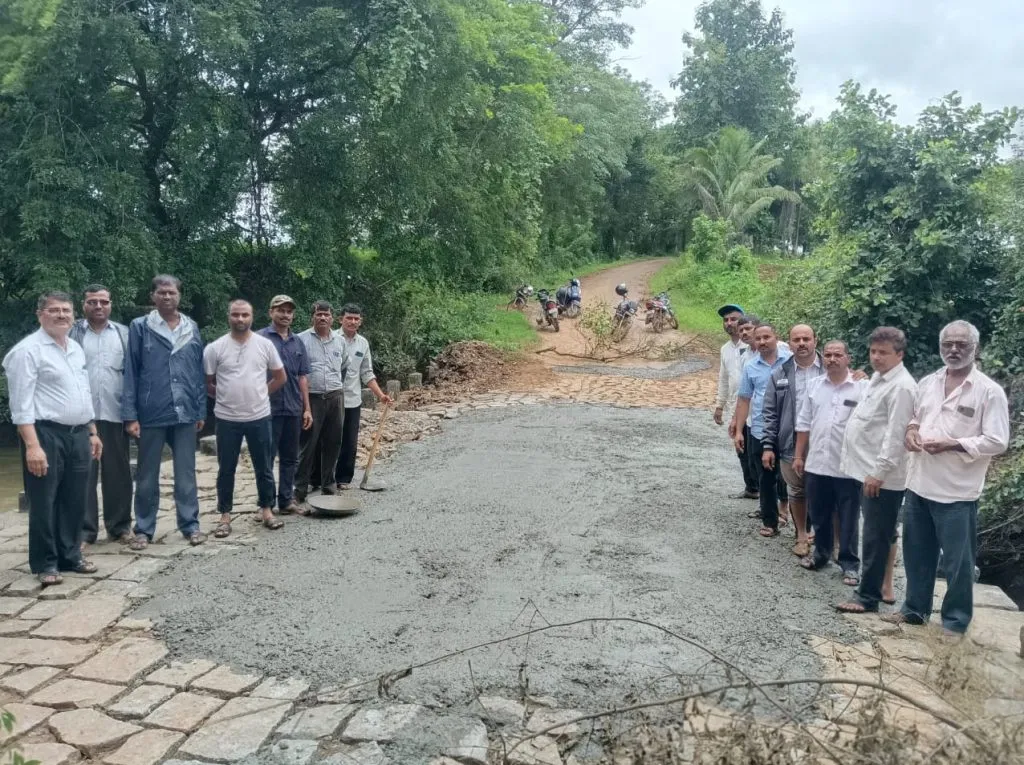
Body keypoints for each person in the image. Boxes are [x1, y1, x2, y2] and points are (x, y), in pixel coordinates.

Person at [884, 321, 1009, 635]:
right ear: (940, 347)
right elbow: (916, 418)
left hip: (957, 491)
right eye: (948, 344)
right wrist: (912, 432)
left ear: (975, 349)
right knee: (917, 554)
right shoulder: (929, 381)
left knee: (958, 564)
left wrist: (954, 444)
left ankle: (954, 622)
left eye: (961, 345)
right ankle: (914, 610)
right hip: (919, 483)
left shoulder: (988, 392)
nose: (954, 350)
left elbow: (998, 441)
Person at [3, 291, 101, 585]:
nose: (61, 315)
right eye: (54, 310)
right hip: (45, 433)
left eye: (66, 310)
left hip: (79, 432)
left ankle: (70, 555)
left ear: (74, 315)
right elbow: (21, 406)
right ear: (40, 314)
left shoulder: (74, 348)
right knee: (44, 500)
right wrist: (32, 446)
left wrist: (93, 432)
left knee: (75, 497)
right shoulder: (27, 351)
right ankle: (46, 562)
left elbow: (83, 393)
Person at [836, 327, 917, 614]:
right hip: (866, 470)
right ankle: (871, 591)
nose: (877, 357)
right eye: (873, 351)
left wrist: (879, 472)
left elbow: (896, 435)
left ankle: (867, 597)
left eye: (884, 353)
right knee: (874, 533)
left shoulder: (903, 387)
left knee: (875, 537)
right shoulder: (878, 380)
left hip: (881, 477)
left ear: (900, 354)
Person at [122, 275, 207, 550]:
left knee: (186, 473)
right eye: (162, 292)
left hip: (185, 412)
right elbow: (131, 372)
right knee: (147, 475)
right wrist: (131, 415)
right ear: (153, 296)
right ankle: (144, 529)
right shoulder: (140, 327)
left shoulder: (191, 327)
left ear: (179, 296)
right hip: (151, 412)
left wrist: (200, 409)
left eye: (172, 293)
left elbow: (197, 373)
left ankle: (190, 525)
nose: (167, 297)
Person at [204, 300, 287, 536]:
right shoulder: (215, 348)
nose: (240, 319)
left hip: (259, 415)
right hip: (226, 418)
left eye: (245, 315)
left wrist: (262, 393)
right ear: (228, 316)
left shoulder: (265, 345)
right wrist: (225, 396)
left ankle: (267, 510)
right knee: (226, 468)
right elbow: (208, 383)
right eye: (236, 315)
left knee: (264, 466)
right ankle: (225, 515)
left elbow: (280, 377)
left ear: (252, 317)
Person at [793, 341, 866, 581]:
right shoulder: (815, 386)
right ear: (823, 358)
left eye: (838, 355)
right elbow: (803, 423)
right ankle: (821, 554)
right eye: (828, 355)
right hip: (817, 464)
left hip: (848, 466)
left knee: (848, 517)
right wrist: (798, 455)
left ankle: (849, 563)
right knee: (820, 513)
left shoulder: (861, 387)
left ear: (848, 358)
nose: (832, 359)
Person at [70, 284, 133, 546]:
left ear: (111, 304)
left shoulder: (124, 334)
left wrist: (133, 414)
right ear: (83, 305)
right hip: (82, 417)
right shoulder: (72, 333)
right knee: (83, 474)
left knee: (118, 473)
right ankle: (85, 531)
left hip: (115, 413)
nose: (99, 306)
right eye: (93, 302)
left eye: (103, 302)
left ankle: (119, 527)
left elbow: (133, 376)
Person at [762, 325, 823, 557]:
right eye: (796, 339)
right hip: (790, 442)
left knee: (825, 491)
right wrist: (768, 445)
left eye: (806, 338)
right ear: (788, 343)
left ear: (815, 340)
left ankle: (823, 535)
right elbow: (769, 413)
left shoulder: (831, 369)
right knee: (797, 491)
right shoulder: (780, 374)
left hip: (825, 443)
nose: (801, 343)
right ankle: (800, 536)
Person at [733, 322, 793, 537]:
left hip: (788, 429)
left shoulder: (790, 361)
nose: (762, 342)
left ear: (776, 338)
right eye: (758, 339)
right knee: (765, 477)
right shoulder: (751, 367)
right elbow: (744, 399)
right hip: (759, 428)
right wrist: (739, 430)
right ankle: (770, 521)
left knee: (788, 475)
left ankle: (793, 517)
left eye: (766, 337)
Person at [257, 296, 313, 515]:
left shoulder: (297, 342)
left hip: (292, 408)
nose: (285, 315)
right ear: (271, 312)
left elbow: (302, 377)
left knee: (290, 458)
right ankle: (266, 504)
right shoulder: (260, 339)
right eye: (281, 310)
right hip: (266, 409)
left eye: (289, 311)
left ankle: (287, 501)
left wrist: (306, 408)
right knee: (266, 459)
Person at [331, 304, 393, 490]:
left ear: (360, 321)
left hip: (352, 399)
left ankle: (343, 479)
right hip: (331, 398)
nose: (352, 321)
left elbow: (366, 373)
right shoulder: (331, 338)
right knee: (329, 440)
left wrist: (381, 395)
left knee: (349, 441)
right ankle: (321, 478)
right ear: (340, 319)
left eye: (356, 319)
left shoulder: (362, 343)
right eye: (349, 318)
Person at [295, 301, 348, 503]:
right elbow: (297, 373)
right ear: (313, 317)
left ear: (332, 318)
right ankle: (299, 488)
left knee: (334, 442)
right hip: (312, 399)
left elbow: (343, 366)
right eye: (319, 314)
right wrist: (305, 404)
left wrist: (336, 388)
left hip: (335, 397)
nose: (323, 318)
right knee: (308, 444)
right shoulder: (301, 340)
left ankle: (329, 484)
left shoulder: (339, 341)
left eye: (326, 314)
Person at [713, 304, 756, 499]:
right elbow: (724, 378)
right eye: (726, 320)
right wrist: (720, 405)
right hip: (736, 407)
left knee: (758, 451)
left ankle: (770, 498)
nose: (729, 323)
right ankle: (751, 488)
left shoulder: (754, 346)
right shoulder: (725, 349)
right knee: (741, 449)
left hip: (757, 408)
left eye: (733, 319)